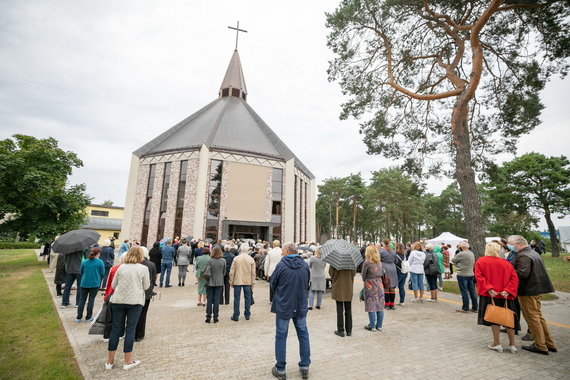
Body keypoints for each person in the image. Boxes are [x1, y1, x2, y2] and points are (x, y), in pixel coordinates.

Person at [509, 235, 557, 355]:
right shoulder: (532, 252)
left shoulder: (524, 255)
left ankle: (540, 345)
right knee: (538, 316)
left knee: (532, 317)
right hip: (536, 289)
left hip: (528, 291)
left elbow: (523, 273)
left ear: (518, 244)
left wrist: (507, 270)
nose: (510, 246)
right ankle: (549, 343)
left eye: (511, 244)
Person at [270, 243, 311, 380]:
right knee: (303, 334)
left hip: (284, 305)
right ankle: (305, 366)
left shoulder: (281, 266)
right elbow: (307, 283)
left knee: (281, 336)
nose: (281, 253)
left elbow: (273, 283)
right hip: (300, 304)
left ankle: (281, 369)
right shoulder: (305, 265)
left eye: (282, 251)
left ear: (287, 252)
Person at [105, 246, 150, 371]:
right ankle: (128, 361)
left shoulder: (121, 267)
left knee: (115, 329)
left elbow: (114, 285)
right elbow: (146, 286)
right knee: (130, 330)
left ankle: (110, 361)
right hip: (134, 301)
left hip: (119, 300)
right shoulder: (143, 268)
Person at [475, 242, 519, 354]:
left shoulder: (481, 261)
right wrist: (507, 290)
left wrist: (489, 288)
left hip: (490, 295)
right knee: (508, 319)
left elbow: (479, 277)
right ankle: (512, 345)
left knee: (495, 319)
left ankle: (497, 343)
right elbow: (514, 279)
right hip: (505, 295)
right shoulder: (506, 263)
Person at [76, 247, 105, 322]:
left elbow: (81, 272)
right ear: (98, 254)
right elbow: (102, 273)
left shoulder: (85, 262)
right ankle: (88, 317)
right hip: (94, 283)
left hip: (84, 283)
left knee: (82, 300)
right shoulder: (100, 262)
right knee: (91, 300)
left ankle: (78, 317)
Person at [229, 243, 256, 321]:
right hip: (247, 281)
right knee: (248, 298)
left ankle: (236, 315)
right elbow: (253, 273)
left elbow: (232, 271)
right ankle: (247, 314)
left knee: (236, 298)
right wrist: (252, 282)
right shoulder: (251, 259)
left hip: (237, 280)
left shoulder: (236, 258)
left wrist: (231, 281)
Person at [329, 262, 356, 337]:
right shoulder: (351, 261)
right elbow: (353, 273)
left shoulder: (335, 260)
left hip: (338, 286)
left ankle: (340, 330)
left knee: (339, 310)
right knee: (348, 309)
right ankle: (349, 330)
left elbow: (331, 274)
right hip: (348, 286)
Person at [135, 248, 156, 342]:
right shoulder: (151, 264)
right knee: (143, 314)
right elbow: (154, 279)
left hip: (134, 292)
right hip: (146, 292)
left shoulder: (133, 263)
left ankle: (130, 332)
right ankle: (139, 334)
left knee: (132, 313)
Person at [362, 245, 385, 331]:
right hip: (379, 284)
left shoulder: (366, 263)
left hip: (370, 285)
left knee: (371, 305)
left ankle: (372, 326)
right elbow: (382, 273)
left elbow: (363, 275)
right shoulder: (379, 262)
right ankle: (379, 326)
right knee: (380, 305)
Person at [452, 241, 478, 313]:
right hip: (471, 274)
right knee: (472, 291)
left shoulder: (461, 254)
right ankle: (475, 307)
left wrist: (458, 264)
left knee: (464, 291)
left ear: (462, 247)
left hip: (462, 274)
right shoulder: (471, 253)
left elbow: (453, 260)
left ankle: (465, 308)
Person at [205, 246, 226, 323]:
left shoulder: (210, 260)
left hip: (210, 281)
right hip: (219, 282)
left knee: (209, 299)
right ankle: (216, 317)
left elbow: (207, 271)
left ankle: (208, 316)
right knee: (217, 300)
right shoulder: (223, 261)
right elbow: (224, 272)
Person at [379, 239, 397, 310]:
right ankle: (392, 305)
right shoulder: (393, 251)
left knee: (386, 286)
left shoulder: (381, 251)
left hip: (384, 268)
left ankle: (386, 304)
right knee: (392, 287)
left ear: (383, 243)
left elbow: (378, 260)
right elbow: (396, 260)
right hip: (393, 268)